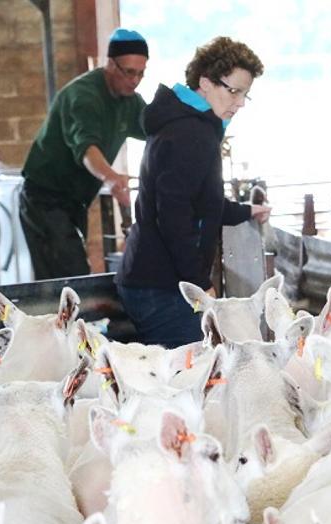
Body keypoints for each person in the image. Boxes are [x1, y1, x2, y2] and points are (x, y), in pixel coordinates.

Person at [115, 36, 271, 348]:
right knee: (191, 379)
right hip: (163, 286)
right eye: (234, 91)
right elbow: (173, 217)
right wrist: (199, 285)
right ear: (205, 82)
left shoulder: (187, 124)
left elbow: (200, 202)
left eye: (245, 95)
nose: (239, 103)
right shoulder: (192, 133)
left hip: (151, 278)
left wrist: (245, 211)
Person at [19, 28, 149, 280]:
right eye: (129, 72)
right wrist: (111, 178)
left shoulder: (130, 100)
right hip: (44, 199)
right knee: (70, 276)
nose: (135, 80)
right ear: (110, 64)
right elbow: (87, 149)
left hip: (74, 202)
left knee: (68, 274)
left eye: (141, 73)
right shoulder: (83, 96)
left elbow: (157, 129)